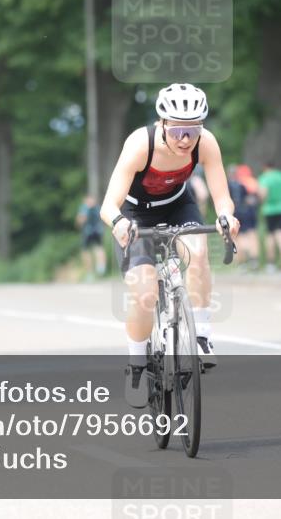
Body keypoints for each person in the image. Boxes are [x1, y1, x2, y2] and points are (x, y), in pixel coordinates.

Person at [101, 83, 238, 408]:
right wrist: (119, 224)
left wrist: (226, 218)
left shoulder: (206, 144)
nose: (184, 139)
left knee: (200, 252)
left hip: (178, 205)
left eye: (192, 130)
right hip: (135, 214)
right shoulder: (140, 145)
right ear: (162, 123)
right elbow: (108, 205)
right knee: (145, 293)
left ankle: (201, 336)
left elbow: (222, 197)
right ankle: (136, 366)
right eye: (177, 130)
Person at [257, 161, 281, 272]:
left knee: (270, 236)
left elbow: (263, 193)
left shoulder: (265, 178)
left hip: (269, 210)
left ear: (265, 167)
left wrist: (261, 201)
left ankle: (271, 263)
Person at [228, 164, 260, 270]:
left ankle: (242, 263)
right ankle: (253, 259)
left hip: (234, 213)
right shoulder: (242, 185)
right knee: (251, 235)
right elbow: (249, 199)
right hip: (246, 212)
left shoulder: (226, 186)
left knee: (237, 237)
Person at [76, 195, 106, 279]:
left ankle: (90, 273)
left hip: (87, 232)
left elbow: (81, 220)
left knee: (85, 251)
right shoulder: (97, 207)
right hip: (98, 231)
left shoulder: (85, 208)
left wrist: (79, 224)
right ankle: (101, 268)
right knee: (99, 248)